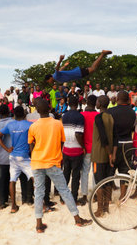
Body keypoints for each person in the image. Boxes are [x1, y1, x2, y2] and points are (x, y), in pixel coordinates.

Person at [28, 99, 92, 233]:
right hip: (53, 162)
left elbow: (31, 146)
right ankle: (77, 219)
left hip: (37, 162)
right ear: (50, 108)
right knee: (64, 190)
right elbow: (62, 142)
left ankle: (39, 224)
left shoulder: (33, 126)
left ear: (37, 111)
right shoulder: (57, 124)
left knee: (39, 193)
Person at [0, 106, 34, 213]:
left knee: (12, 180)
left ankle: (13, 206)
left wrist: (7, 149)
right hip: (24, 156)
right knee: (34, 177)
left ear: (14, 115)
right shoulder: (29, 124)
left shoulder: (10, 124)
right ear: (24, 114)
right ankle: (42, 203)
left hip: (12, 156)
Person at [108, 90, 136, 198]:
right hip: (128, 143)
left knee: (110, 171)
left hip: (115, 144)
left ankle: (109, 198)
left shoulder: (111, 111)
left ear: (117, 99)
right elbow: (133, 127)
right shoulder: (132, 112)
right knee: (125, 171)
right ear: (128, 100)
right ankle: (122, 196)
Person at [91, 95, 116, 216]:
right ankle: (106, 207)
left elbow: (103, 137)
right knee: (107, 181)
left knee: (99, 182)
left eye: (97, 101)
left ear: (99, 103)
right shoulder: (111, 117)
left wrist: (109, 153)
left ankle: (100, 209)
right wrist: (112, 154)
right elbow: (115, 137)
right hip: (110, 154)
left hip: (99, 155)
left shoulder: (98, 117)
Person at [61, 96, 85, 204]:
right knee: (75, 176)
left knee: (66, 173)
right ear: (78, 104)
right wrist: (83, 147)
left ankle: (63, 198)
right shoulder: (80, 117)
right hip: (76, 150)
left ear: (68, 103)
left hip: (66, 149)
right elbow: (78, 134)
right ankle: (74, 199)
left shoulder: (64, 116)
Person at [44, 50, 112, 84]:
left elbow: (57, 69)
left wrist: (60, 60)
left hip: (78, 73)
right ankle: (102, 54)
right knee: (92, 68)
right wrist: (64, 65)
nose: (49, 82)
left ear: (50, 78)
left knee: (93, 69)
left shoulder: (55, 76)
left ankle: (103, 54)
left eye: (48, 81)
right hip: (78, 73)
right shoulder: (56, 76)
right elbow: (60, 70)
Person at [80, 95, 98, 204]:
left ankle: (84, 195)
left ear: (86, 102)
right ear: (96, 103)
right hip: (96, 149)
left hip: (85, 148)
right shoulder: (98, 115)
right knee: (95, 172)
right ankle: (95, 194)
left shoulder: (82, 115)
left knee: (85, 172)